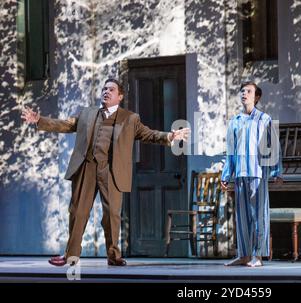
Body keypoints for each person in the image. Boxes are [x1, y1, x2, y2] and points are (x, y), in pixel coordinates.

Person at [21, 78, 190, 266]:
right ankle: (71, 255)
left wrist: (170, 135)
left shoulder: (130, 118)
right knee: (77, 212)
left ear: (120, 96)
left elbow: (148, 134)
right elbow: (66, 124)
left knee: (112, 215)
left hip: (111, 170)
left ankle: (113, 255)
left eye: (111, 89)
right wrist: (39, 120)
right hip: (87, 167)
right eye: (104, 89)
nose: (106, 92)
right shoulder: (87, 113)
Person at [221, 81, 283, 267]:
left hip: (257, 172)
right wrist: (226, 174)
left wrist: (276, 172)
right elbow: (230, 150)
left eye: (248, 91)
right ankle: (244, 255)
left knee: (259, 215)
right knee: (242, 217)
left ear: (256, 97)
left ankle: (258, 255)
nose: (244, 94)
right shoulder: (235, 121)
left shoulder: (265, 119)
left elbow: (274, 147)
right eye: (242, 91)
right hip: (240, 173)